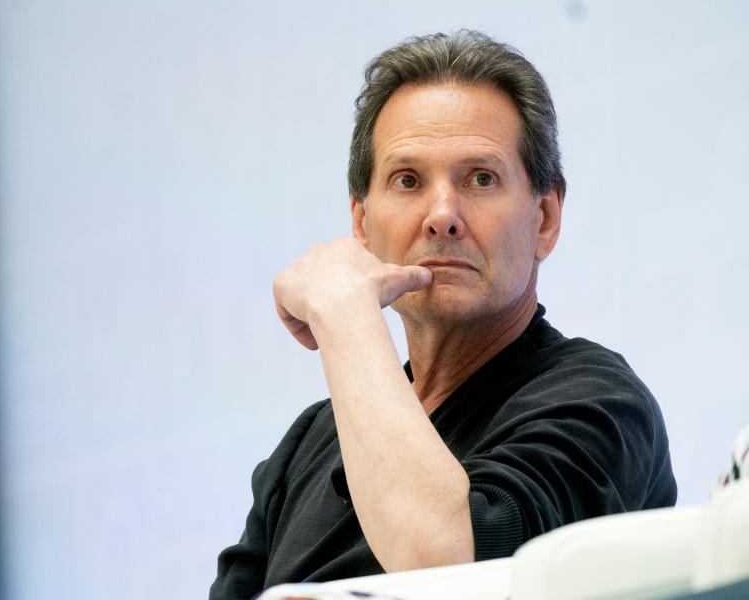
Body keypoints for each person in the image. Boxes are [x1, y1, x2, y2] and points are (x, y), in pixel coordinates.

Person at [209, 30, 677, 600]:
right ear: (361, 224)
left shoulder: (599, 401)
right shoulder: (308, 443)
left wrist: (347, 314)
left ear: (546, 218)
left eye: (480, 179)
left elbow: (446, 569)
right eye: (407, 181)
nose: (442, 217)